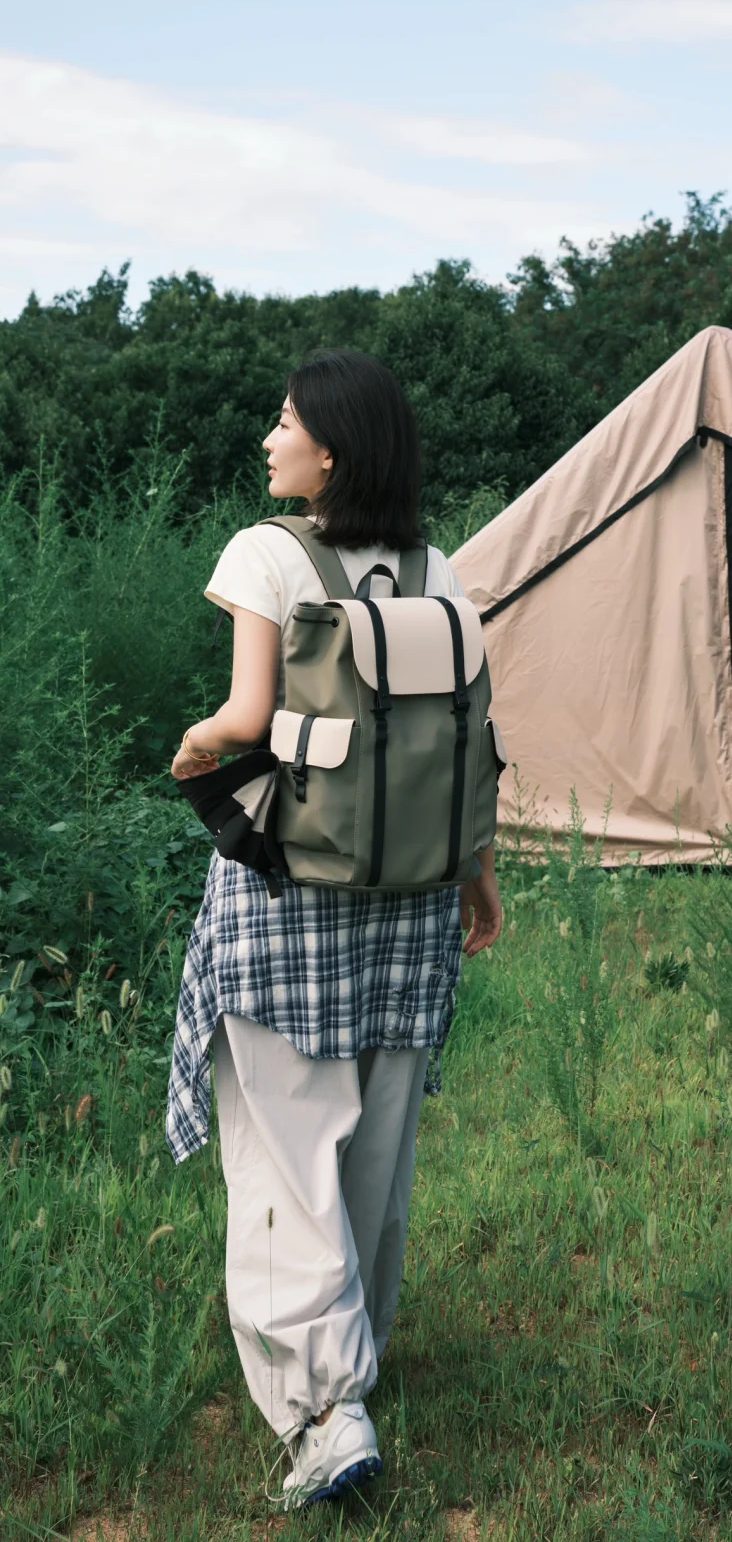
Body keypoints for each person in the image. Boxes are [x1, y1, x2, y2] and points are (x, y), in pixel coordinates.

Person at [164, 350, 502, 1511]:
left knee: (283, 1145)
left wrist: (195, 742)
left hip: (290, 895)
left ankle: (323, 1408)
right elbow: (466, 737)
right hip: (413, 896)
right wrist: (477, 874)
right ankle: (358, 1351)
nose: (270, 438)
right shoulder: (438, 570)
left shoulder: (269, 552)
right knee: (376, 1144)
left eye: (286, 421)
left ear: (332, 453)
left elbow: (251, 714)